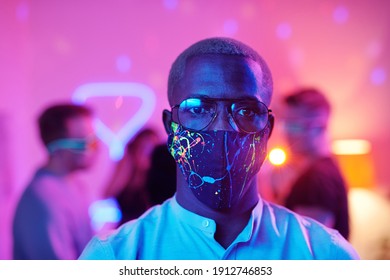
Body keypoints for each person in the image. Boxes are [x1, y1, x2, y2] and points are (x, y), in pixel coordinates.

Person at [79, 37, 359, 259]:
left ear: (268, 129)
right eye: (199, 108)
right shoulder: (114, 257)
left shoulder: (325, 255)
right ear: (170, 126)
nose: (223, 128)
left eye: (247, 111)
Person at [13, 103, 98, 259]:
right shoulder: (42, 199)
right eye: (86, 142)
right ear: (58, 148)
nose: (95, 148)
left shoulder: (76, 186)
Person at [278, 88, 350, 240]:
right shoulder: (323, 171)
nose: (287, 133)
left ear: (319, 126)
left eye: (295, 126)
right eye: (285, 125)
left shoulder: (317, 178)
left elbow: (308, 247)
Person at [104, 128, 159, 225]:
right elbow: (107, 193)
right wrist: (126, 163)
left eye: (152, 150)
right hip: (127, 230)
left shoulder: (158, 176)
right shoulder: (127, 170)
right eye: (143, 148)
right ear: (135, 149)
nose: (147, 154)